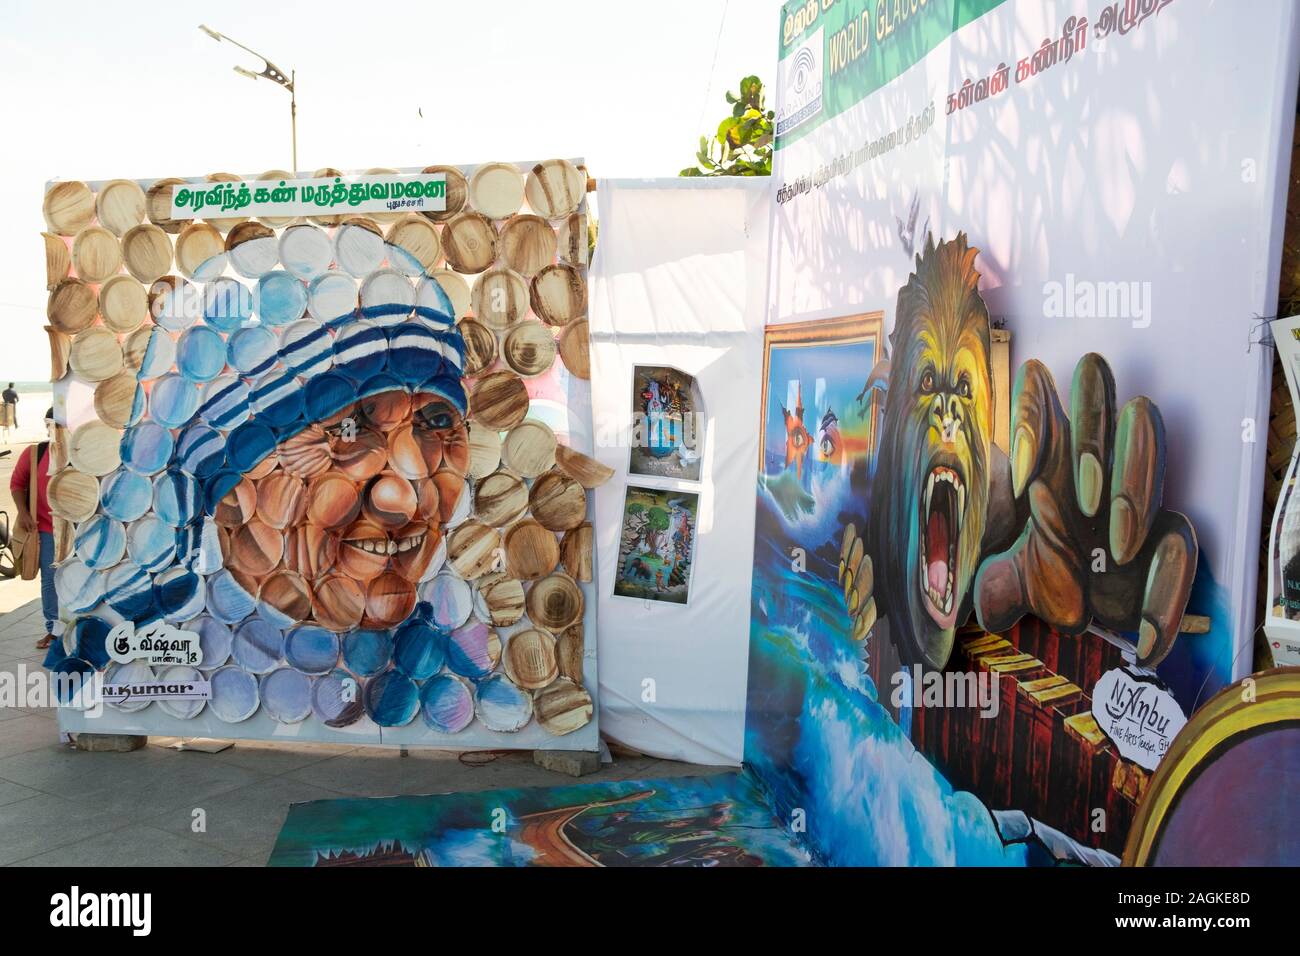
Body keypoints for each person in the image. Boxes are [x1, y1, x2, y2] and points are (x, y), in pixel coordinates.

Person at [12, 409, 56, 649]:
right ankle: (54, 629)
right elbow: (17, 483)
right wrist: (23, 512)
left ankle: (79, 628)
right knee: (50, 580)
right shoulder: (35, 453)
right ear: (47, 426)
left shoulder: (81, 452)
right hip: (46, 529)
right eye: (53, 425)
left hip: (78, 529)